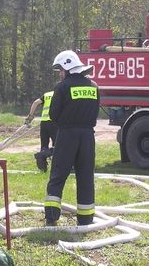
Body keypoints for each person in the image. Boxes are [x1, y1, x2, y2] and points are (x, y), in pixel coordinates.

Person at [44, 50, 99, 227]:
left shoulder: (61, 87)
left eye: (60, 70)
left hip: (67, 135)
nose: (60, 74)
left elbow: (53, 114)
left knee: (58, 174)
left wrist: (65, 123)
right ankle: (86, 219)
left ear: (67, 68)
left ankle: (52, 217)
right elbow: (96, 113)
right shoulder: (93, 87)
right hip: (88, 136)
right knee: (85, 176)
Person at [25, 87, 60, 172]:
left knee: (44, 145)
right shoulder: (60, 94)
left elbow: (35, 103)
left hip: (44, 123)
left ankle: (43, 168)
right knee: (58, 146)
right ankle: (56, 167)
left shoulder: (47, 94)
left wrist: (30, 117)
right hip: (55, 122)